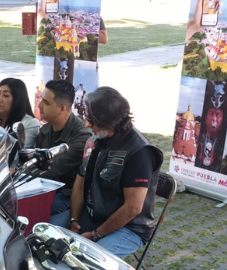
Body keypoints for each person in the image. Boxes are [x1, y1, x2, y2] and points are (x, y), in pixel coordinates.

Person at [50, 87, 163, 258]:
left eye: (91, 120)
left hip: (129, 227)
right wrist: (74, 218)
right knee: (44, 235)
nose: (87, 124)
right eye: (86, 117)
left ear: (109, 120)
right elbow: (79, 183)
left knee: (85, 261)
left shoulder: (139, 152)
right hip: (93, 215)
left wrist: (96, 235)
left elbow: (133, 207)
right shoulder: (94, 141)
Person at [35, 80, 92, 215]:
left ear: (62, 108)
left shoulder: (82, 136)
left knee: (40, 209)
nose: (40, 105)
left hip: (67, 194)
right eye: (41, 100)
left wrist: (22, 169)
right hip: (45, 187)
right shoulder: (45, 130)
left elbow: (54, 168)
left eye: (46, 102)